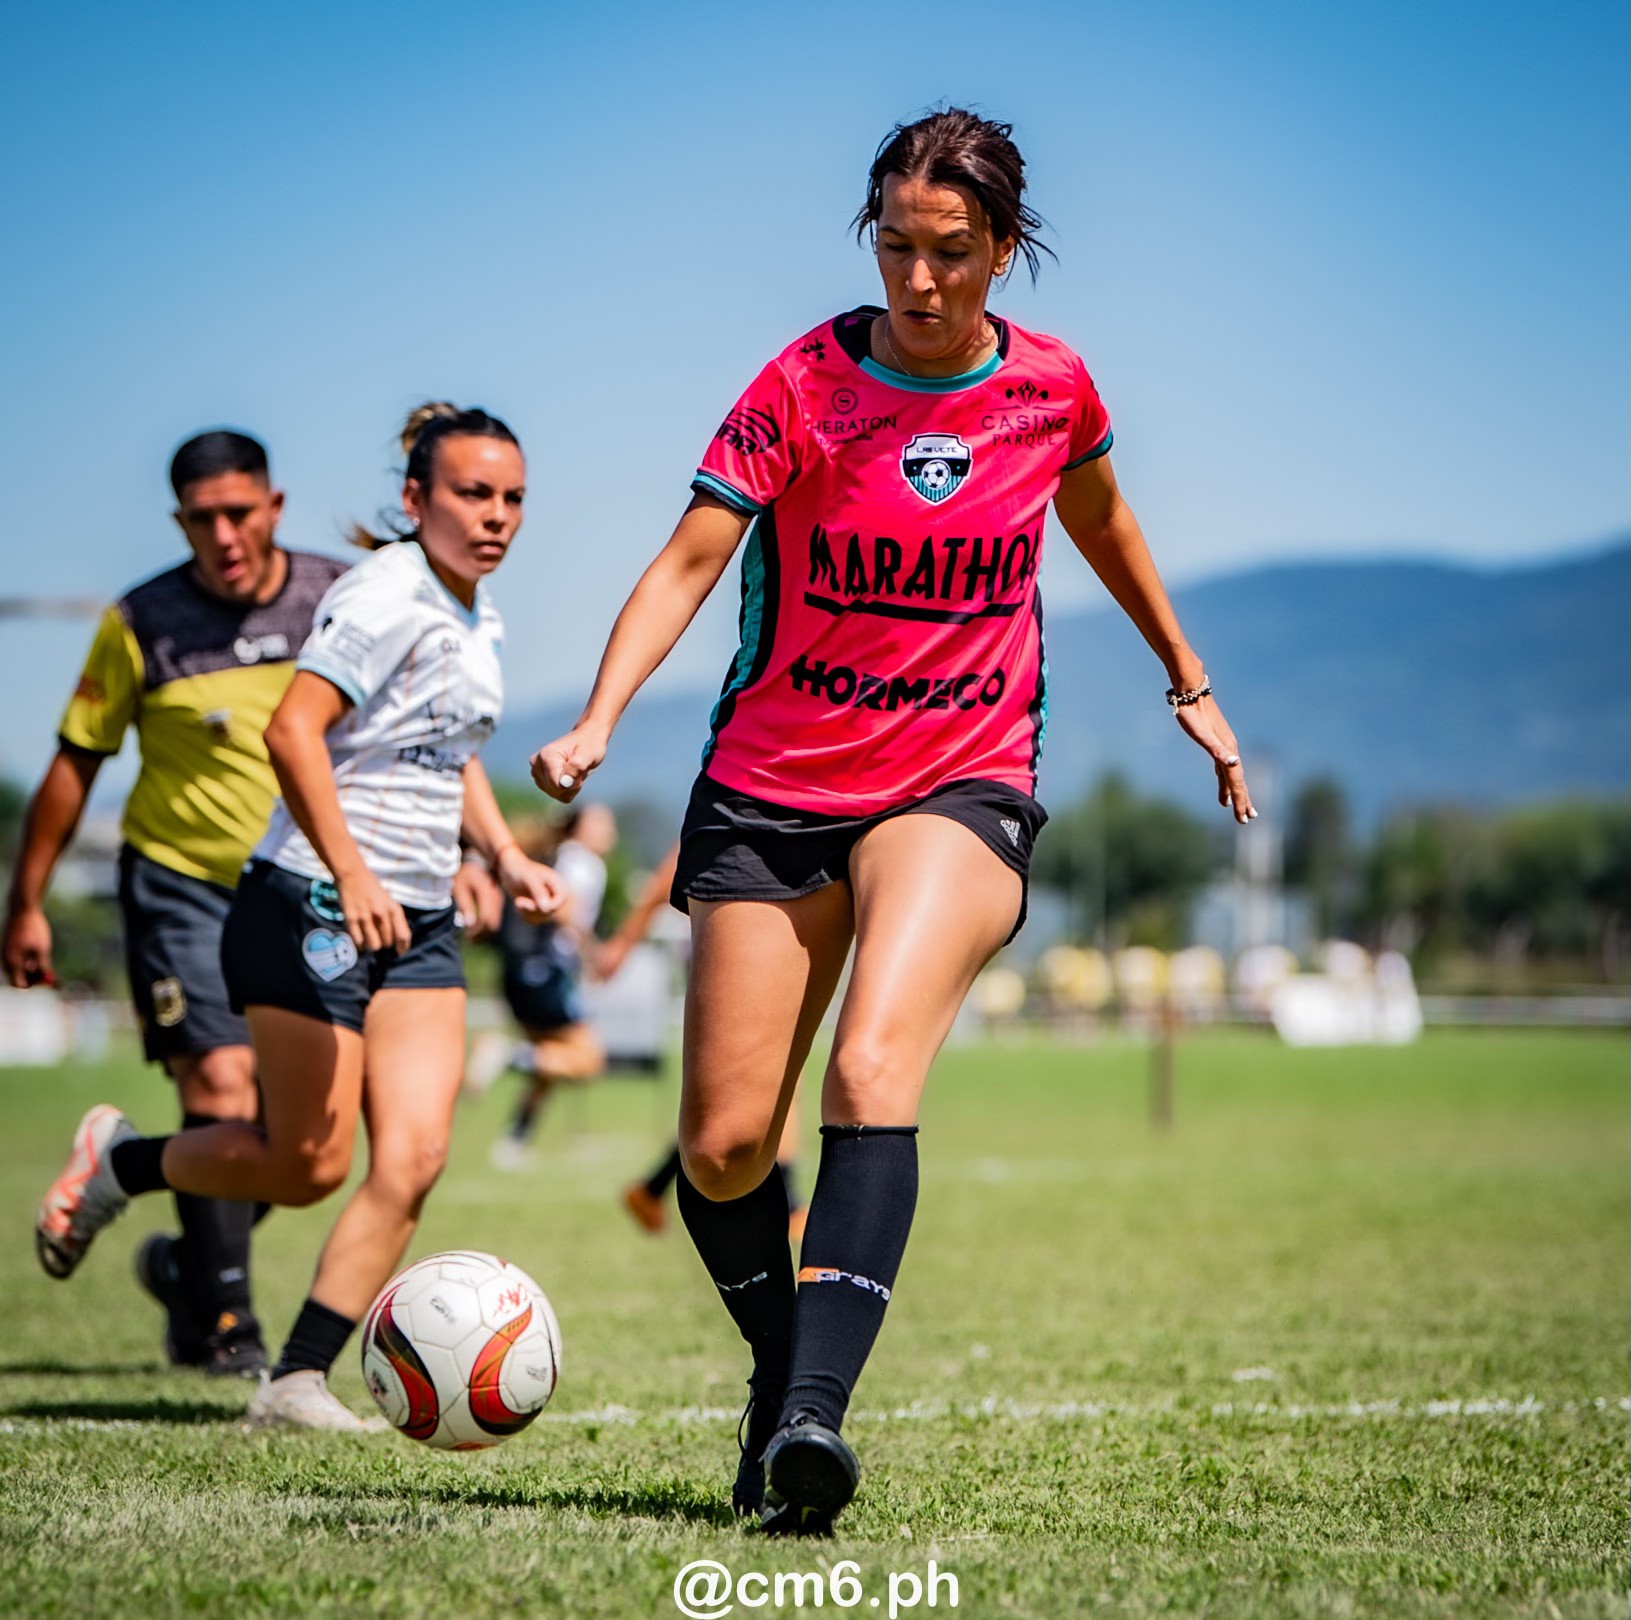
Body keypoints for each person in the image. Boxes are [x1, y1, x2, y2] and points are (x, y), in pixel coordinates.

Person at [531, 109, 1255, 1534]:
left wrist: (1188, 678)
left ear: (1002, 247)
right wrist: (601, 716)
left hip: (960, 776)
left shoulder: (1050, 391)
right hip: (771, 781)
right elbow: (689, 561)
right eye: (894, 248)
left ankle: (810, 1425)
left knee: (870, 1066)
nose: (918, 281)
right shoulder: (803, 380)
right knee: (724, 1147)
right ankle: (778, 1376)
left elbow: (1103, 522)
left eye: (950, 252)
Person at [34, 403, 563, 1429]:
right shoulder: (383, 594)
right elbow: (293, 731)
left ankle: (295, 1380)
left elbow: (446, 753)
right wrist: (354, 871)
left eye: (511, 499)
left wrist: (497, 853)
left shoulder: (474, 611)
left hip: (415, 918)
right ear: (415, 501)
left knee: (412, 1157)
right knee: (306, 1164)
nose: (494, 516)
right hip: (308, 901)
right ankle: (121, 1165)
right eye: (470, 494)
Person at [3, 430, 348, 1376]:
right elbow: (75, 765)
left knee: (303, 1140)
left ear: (275, 506)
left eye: (241, 512)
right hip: (179, 887)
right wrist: (26, 900)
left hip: (300, 893)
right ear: (179, 521)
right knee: (220, 1090)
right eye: (203, 519)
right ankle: (230, 1324)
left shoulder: (339, 598)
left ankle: (189, 1269)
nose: (225, 535)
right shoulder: (140, 620)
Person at [471, 805, 617, 1168]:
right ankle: (505, 1056)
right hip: (548, 973)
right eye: (601, 822)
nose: (609, 829)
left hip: (519, 971)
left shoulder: (558, 855)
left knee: (548, 1062)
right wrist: (592, 949)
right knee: (587, 1062)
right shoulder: (583, 863)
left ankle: (514, 1140)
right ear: (580, 828)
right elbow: (566, 909)